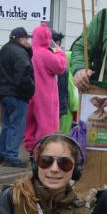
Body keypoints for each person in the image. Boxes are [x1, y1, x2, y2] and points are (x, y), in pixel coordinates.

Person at [24, 24, 67, 156]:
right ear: (47, 38)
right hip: (45, 95)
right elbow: (60, 66)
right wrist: (59, 51)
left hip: (30, 93)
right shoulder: (45, 54)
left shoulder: (29, 52)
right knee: (47, 124)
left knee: (31, 124)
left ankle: (31, 148)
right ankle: (44, 151)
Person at [0, 27, 34, 167]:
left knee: (7, 124)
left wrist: (29, 50)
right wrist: (30, 90)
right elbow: (23, 76)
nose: (28, 41)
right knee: (16, 126)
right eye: (27, 38)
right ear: (21, 39)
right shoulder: (20, 53)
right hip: (17, 94)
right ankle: (11, 156)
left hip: (4, 92)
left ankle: (0, 153)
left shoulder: (5, 49)